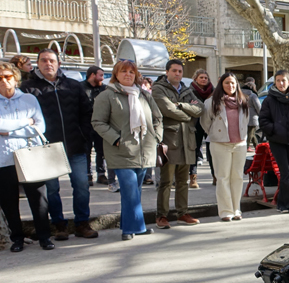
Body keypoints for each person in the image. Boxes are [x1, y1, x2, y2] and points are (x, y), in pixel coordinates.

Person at [20, 48, 97, 240]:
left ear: (59, 64)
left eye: (52, 61)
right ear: (38, 64)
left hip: (75, 145)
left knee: (81, 186)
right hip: (47, 149)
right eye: (44, 61)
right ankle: (59, 225)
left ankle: (82, 223)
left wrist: (84, 136)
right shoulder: (28, 88)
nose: (48, 64)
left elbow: (87, 112)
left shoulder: (73, 86)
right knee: (52, 189)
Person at [90, 60, 163, 241]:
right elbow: (98, 122)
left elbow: (158, 118)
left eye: (132, 71)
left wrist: (156, 138)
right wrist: (116, 139)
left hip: (144, 150)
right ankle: (133, 227)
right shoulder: (107, 96)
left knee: (135, 191)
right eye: (124, 71)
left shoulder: (144, 95)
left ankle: (132, 225)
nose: (128, 74)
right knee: (130, 190)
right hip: (121, 151)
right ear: (116, 74)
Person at [0, 62, 53, 252]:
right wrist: (24, 123)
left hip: (30, 155)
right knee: (9, 202)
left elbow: (40, 127)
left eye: (8, 76)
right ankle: (17, 239)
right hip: (4, 159)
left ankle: (44, 237)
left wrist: (10, 131)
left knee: (38, 199)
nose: (4, 81)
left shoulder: (29, 99)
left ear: (15, 78)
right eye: (0, 78)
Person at [152, 59, 202, 228]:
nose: (177, 74)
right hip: (169, 141)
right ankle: (162, 216)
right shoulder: (158, 89)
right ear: (167, 72)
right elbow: (168, 110)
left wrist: (181, 105)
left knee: (183, 181)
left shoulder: (187, 90)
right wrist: (188, 114)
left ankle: (183, 213)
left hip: (187, 141)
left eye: (180, 71)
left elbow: (200, 108)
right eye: (174, 71)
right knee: (166, 182)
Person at [200, 72, 250, 221]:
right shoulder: (212, 102)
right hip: (220, 144)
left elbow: (246, 122)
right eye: (227, 83)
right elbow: (205, 122)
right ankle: (225, 211)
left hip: (240, 144)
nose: (231, 86)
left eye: (233, 83)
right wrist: (215, 134)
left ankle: (236, 209)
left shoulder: (243, 101)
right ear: (221, 84)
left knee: (238, 177)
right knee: (223, 178)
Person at [259, 70, 289, 213]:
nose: (281, 83)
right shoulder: (268, 100)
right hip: (277, 141)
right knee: (285, 172)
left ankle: (282, 204)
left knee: (287, 172)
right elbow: (263, 121)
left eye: (283, 80)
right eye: (278, 80)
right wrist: (274, 129)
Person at [82, 66, 112, 189]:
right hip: (85, 124)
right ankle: (88, 175)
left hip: (101, 125)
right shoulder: (81, 88)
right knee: (86, 151)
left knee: (101, 150)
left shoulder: (104, 89)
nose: (102, 78)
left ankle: (101, 174)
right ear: (92, 75)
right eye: (100, 75)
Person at [190, 69, 214, 187]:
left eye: (205, 77)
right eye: (201, 77)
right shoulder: (190, 91)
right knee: (195, 150)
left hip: (210, 123)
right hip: (195, 123)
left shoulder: (213, 91)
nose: (204, 79)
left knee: (212, 150)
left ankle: (215, 176)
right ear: (196, 79)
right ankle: (193, 178)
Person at [241, 78, 261, 152]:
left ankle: (257, 147)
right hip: (252, 118)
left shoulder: (240, 95)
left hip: (243, 117)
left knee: (251, 134)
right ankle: (246, 147)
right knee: (250, 134)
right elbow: (258, 107)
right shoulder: (253, 96)